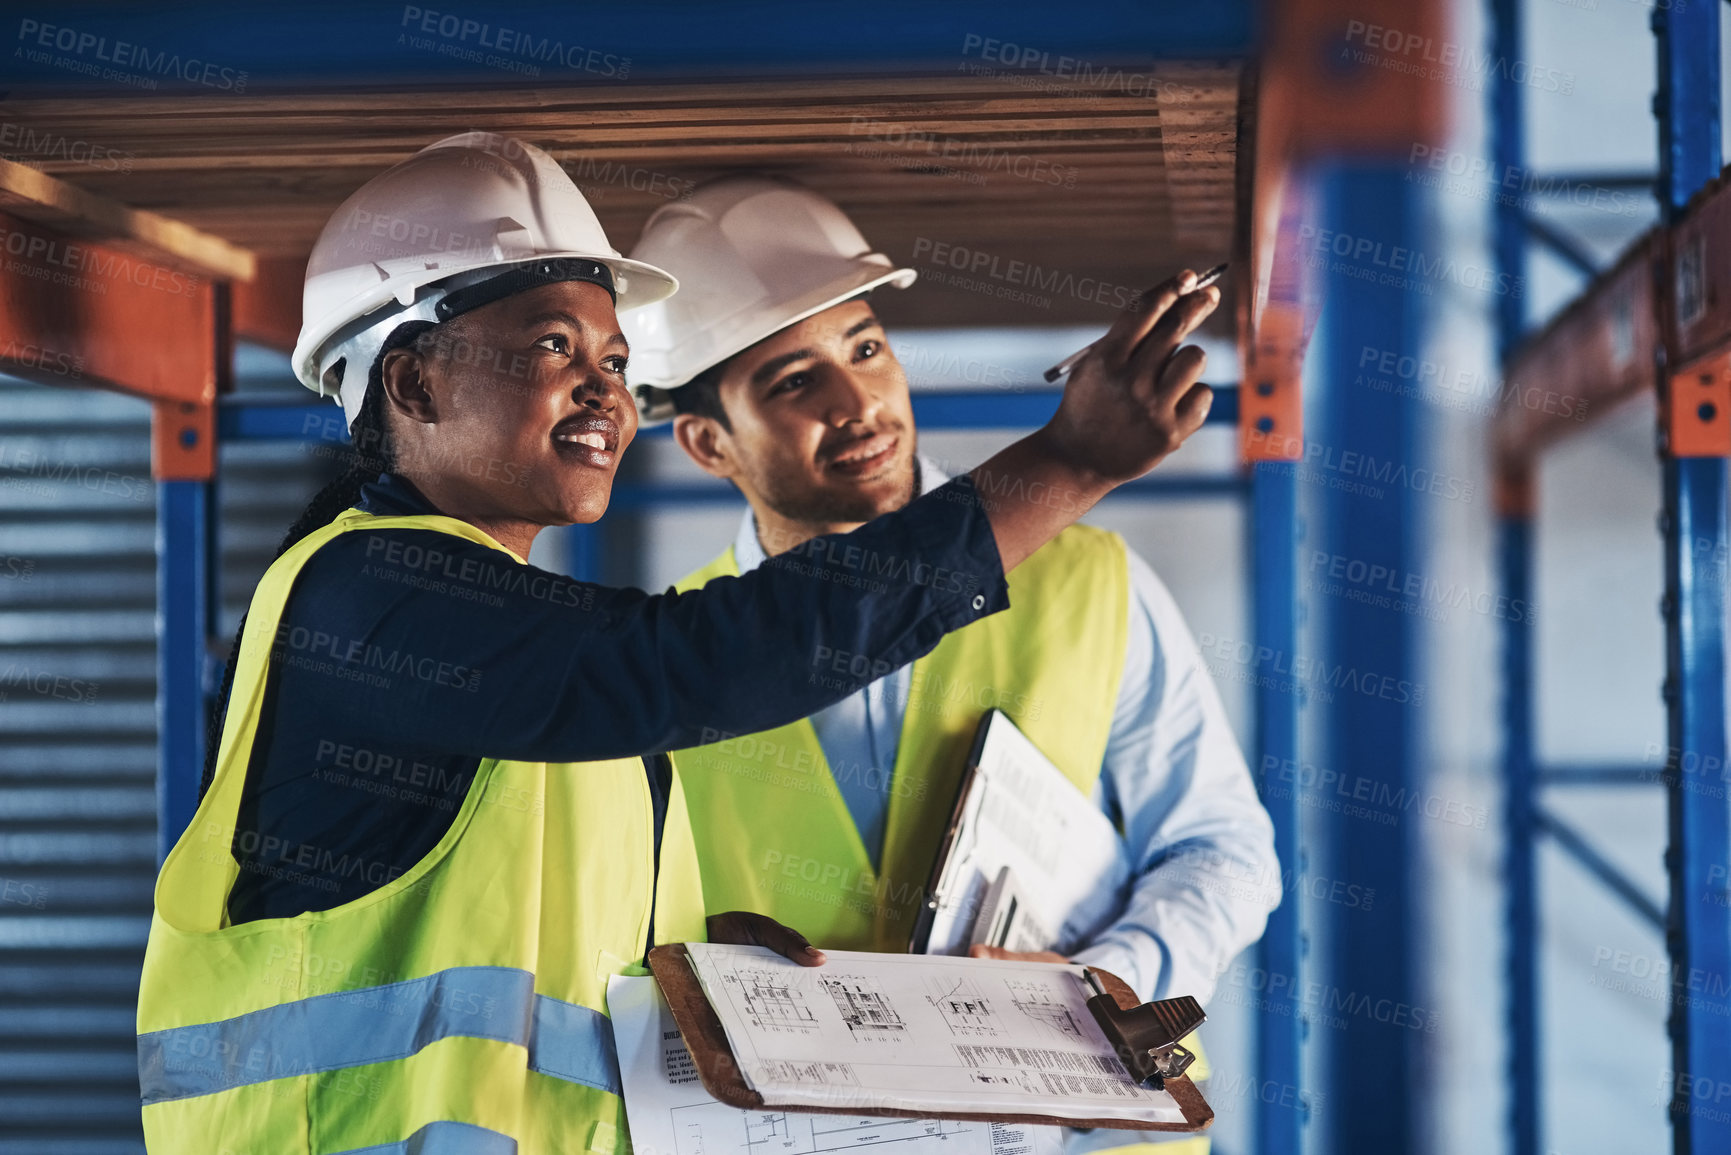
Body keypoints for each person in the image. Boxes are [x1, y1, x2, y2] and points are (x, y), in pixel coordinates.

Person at [135, 137, 1219, 1155]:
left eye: (613, 357)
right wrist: (1067, 463)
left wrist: (713, 975)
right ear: (414, 382)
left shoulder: (511, 619)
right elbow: (691, 663)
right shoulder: (370, 593)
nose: (605, 389)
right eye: (555, 347)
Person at [625, 176, 1281, 1153]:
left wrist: (1104, 982)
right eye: (794, 382)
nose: (860, 405)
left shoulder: (1089, 581)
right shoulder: (665, 654)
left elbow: (1223, 850)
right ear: (708, 441)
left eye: (867, 350)